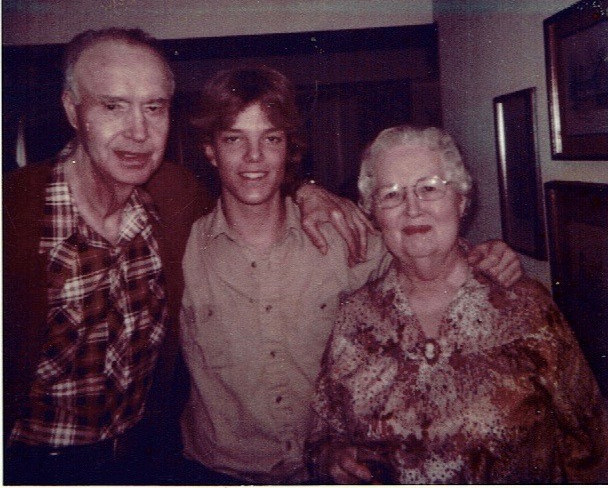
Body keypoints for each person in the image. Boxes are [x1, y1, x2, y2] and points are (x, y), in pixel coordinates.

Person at [2, 28, 375, 486]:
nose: (139, 132)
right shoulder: (12, 214)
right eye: (113, 106)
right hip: (30, 466)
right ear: (72, 110)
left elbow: (254, 188)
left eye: (154, 108)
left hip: (144, 460)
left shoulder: (175, 200)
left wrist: (310, 193)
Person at [179, 68, 523, 484]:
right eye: (234, 139)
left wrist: (483, 256)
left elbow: (421, 257)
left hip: (331, 471)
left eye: (270, 139)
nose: (254, 158)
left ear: (289, 148)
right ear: (211, 151)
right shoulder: (181, 249)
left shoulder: (344, 236)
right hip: (219, 474)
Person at [306, 124, 608, 484]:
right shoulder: (354, 316)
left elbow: (590, 444)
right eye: (391, 195)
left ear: (462, 200)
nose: (412, 208)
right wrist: (331, 458)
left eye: (430, 188)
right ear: (373, 213)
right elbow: (322, 434)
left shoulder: (525, 308)